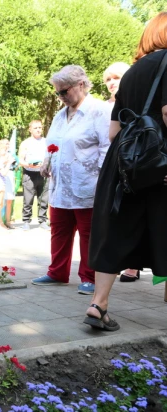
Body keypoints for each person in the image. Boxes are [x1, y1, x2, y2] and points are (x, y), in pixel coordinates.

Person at [86, 12, 167, 331]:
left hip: (124, 166)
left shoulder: (131, 72)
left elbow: (112, 132)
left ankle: (98, 304)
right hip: (159, 163)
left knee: (117, 232)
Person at [31, 65, 110, 295]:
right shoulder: (60, 115)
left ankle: (90, 277)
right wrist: (47, 160)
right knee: (59, 229)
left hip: (88, 183)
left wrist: (102, 180)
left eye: (64, 92)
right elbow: (53, 142)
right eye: (57, 93)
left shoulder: (99, 110)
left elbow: (107, 148)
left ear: (81, 85)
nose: (61, 97)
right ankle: (57, 272)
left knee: (88, 233)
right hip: (61, 185)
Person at [103, 62, 141, 283]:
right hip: (111, 162)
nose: (111, 83)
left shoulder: (132, 100)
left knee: (130, 210)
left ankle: (132, 265)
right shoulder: (105, 105)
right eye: (108, 79)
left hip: (130, 159)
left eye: (116, 77)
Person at [18, 120, 49, 230]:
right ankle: (26, 221)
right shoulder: (25, 143)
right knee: (28, 199)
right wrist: (30, 164)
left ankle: (43, 220)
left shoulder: (46, 142)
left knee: (44, 198)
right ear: (30, 129)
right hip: (29, 173)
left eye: (40, 127)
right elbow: (20, 160)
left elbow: (50, 157)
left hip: (43, 173)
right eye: (35, 128)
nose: (38, 129)